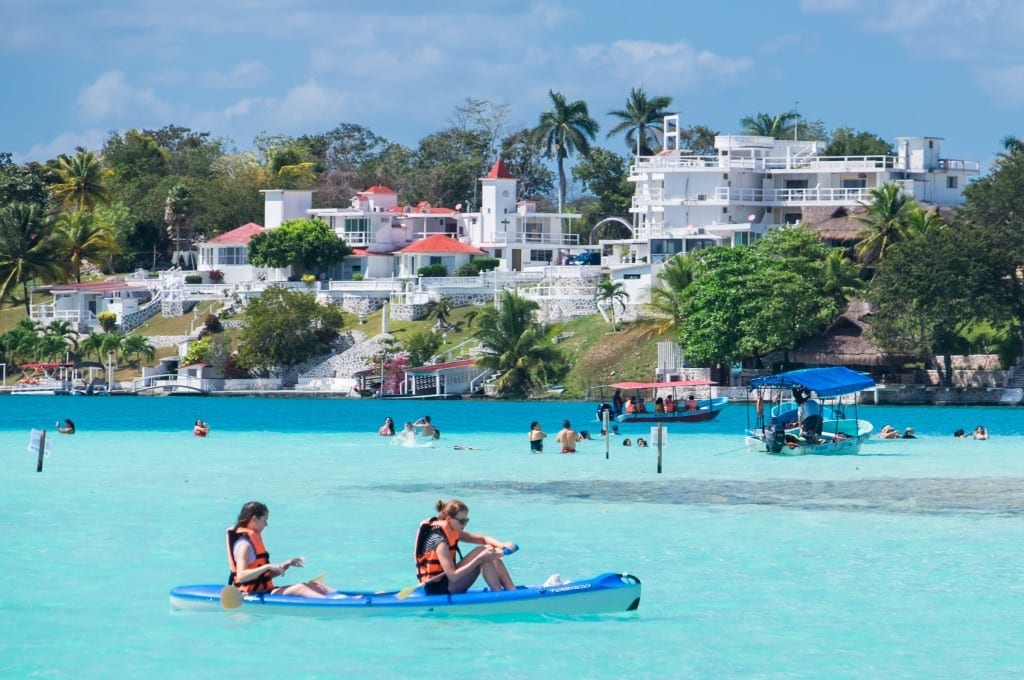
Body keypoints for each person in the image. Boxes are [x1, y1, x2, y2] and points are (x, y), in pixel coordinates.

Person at [226, 501, 333, 598]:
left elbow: (263, 577)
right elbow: (241, 577)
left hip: (265, 590)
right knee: (300, 588)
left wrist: (286, 565)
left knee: (314, 585)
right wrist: (267, 566)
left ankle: (341, 598)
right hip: (253, 594)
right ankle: (331, 604)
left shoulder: (252, 542)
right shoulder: (244, 546)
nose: (266, 525)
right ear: (254, 519)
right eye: (265, 520)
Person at [414, 499, 515, 595]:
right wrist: (479, 559)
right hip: (439, 588)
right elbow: (453, 576)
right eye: (461, 521)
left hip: (447, 580)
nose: (465, 524)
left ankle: (511, 589)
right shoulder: (440, 542)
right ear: (449, 519)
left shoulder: (451, 529)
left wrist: (502, 545)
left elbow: (483, 539)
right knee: (484, 556)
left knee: (486, 550)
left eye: (466, 520)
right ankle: (499, 595)